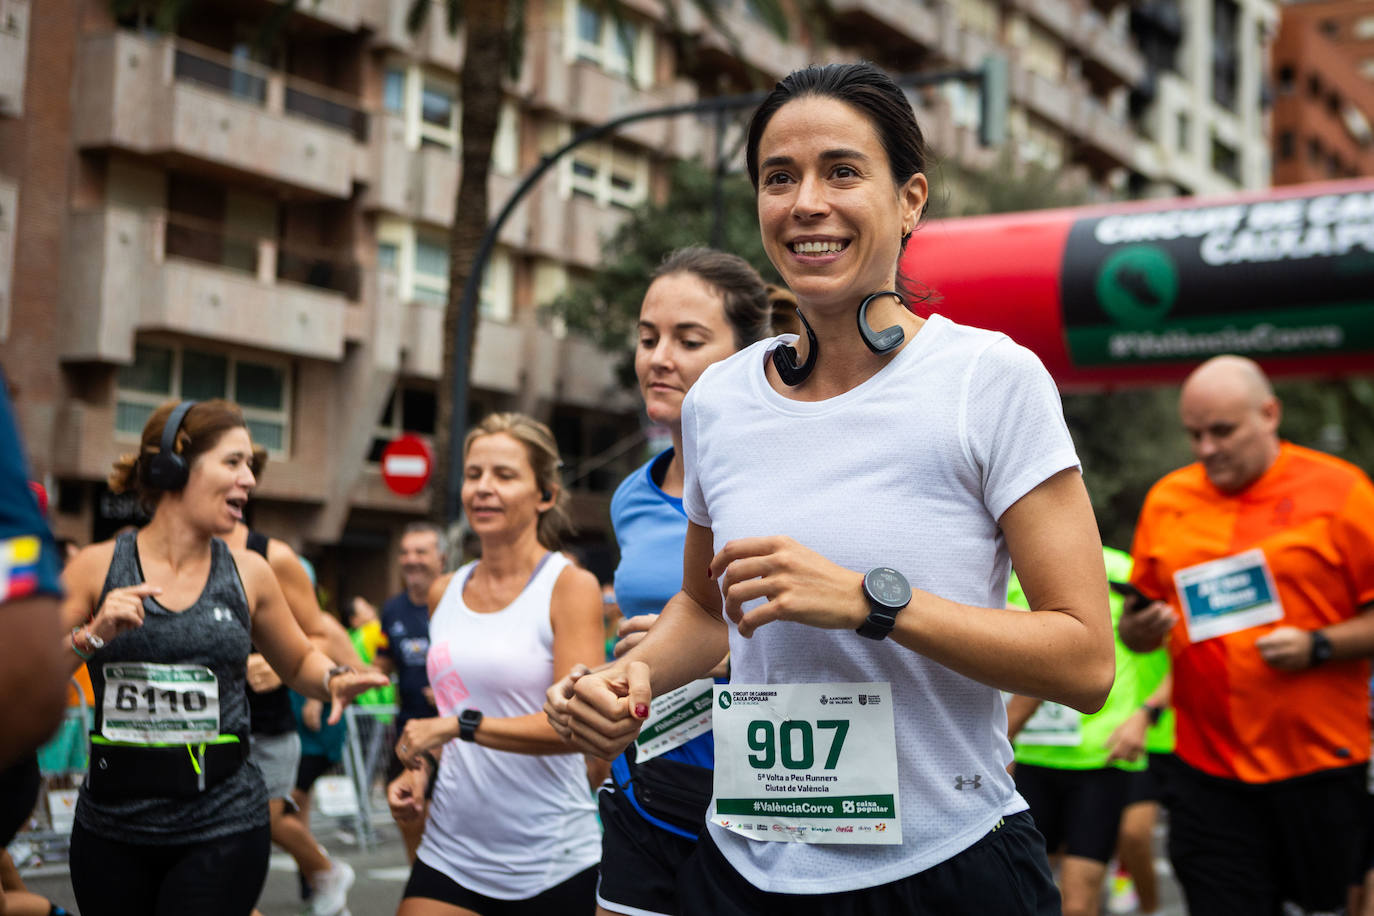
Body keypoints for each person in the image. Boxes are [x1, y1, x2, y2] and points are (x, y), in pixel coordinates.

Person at [551, 61, 1113, 914]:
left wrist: (869, 601)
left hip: (944, 866)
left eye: (842, 171)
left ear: (910, 200)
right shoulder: (719, 402)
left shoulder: (987, 379)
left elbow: (1085, 659)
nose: (806, 201)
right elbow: (706, 612)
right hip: (744, 866)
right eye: (780, 178)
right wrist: (630, 680)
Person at [56, 399, 386, 916]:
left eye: (250, 466)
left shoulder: (250, 571)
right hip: (111, 828)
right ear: (174, 466)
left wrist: (334, 679)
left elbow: (298, 662)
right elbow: (27, 671)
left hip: (223, 822)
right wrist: (93, 635)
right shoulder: (97, 568)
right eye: (233, 463)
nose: (249, 480)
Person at [1119, 353, 1374, 915]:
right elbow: (1137, 633)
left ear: (1270, 413)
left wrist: (1318, 646)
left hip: (1319, 765)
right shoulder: (1169, 500)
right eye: (1194, 434)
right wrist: (1136, 628)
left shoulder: (1342, 491)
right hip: (1207, 773)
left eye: (1222, 431)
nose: (1207, 448)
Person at [577, 247, 772, 916]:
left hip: (770, 793)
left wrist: (709, 650)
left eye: (689, 341)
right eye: (646, 338)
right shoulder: (633, 494)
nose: (658, 358)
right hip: (651, 783)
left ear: (748, 353)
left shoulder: (787, 483)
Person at [388, 413, 604, 915]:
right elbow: (452, 717)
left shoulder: (569, 587)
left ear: (544, 495)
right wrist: (418, 772)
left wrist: (457, 727)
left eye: (504, 476)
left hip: (551, 860)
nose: (483, 488)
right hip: (451, 849)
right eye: (474, 474)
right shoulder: (444, 591)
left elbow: (576, 728)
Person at [1005, 546, 1168, 916]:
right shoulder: (1012, 575)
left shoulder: (1123, 569)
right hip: (1034, 757)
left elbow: (1175, 646)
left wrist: (1144, 715)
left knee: (1079, 900)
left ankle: (1151, 908)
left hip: (1100, 755)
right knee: (1031, 895)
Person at [224, 518, 364, 916]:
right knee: (277, 820)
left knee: (271, 822)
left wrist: (316, 694)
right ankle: (321, 881)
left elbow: (341, 663)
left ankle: (324, 873)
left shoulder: (313, 616)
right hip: (245, 729)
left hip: (304, 732)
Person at [375, 521, 446, 860]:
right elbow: (382, 662)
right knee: (409, 819)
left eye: (421, 552)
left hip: (453, 735)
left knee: (439, 824)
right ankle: (418, 882)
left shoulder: (458, 604)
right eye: (404, 552)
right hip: (407, 732)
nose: (411, 559)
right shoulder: (392, 609)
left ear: (441, 559)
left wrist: (451, 689)